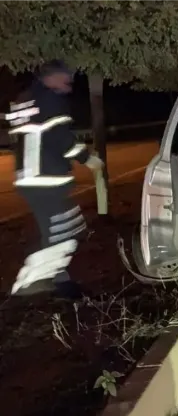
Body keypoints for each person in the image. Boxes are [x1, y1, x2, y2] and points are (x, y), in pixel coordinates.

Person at [6, 60, 104, 299]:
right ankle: (30, 281)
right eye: (66, 79)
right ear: (50, 78)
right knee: (65, 230)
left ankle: (61, 282)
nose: (69, 85)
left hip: (28, 177)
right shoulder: (51, 100)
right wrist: (87, 159)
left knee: (56, 230)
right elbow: (61, 137)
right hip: (46, 178)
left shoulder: (24, 99)